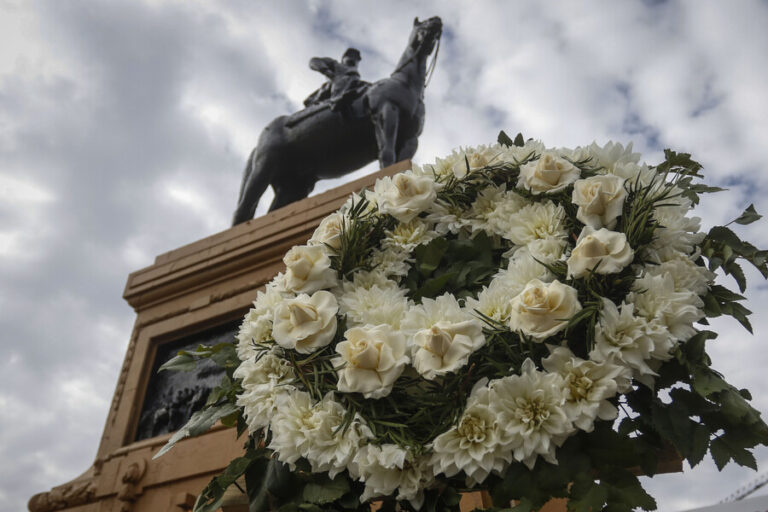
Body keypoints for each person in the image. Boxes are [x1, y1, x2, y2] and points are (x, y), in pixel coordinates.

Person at [303, 48, 367, 113]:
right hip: (326, 98)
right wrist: (326, 71)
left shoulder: (356, 77)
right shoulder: (335, 65)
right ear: (343, 58)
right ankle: (336, 101)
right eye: (351, 56)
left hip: (347, 98)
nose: (353, 59)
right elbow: (314, 61)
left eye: (356, 58)